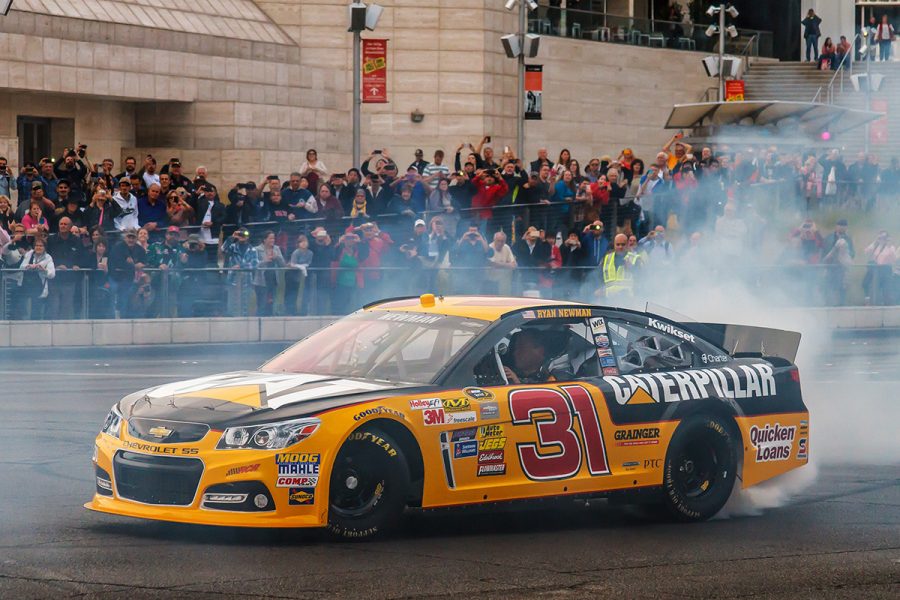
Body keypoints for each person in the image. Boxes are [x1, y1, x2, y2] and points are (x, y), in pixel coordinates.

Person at [108, 229, 146, 318]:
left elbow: (143, 262)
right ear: (125, 237)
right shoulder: (117, 247)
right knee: (112, 293)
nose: (131, 240)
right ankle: (111, 317)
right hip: (114, 277)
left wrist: (133, 264)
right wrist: (133, 265)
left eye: (133, 237)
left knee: (125, 297)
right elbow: (117, 262)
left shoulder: (140, 249)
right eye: (129, 237)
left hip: (128, 278)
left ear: (136, 238)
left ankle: (123, 318)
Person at [222, 228, 259, 316]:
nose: (242, 236)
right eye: (240, 234)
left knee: (246, 306)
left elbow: (255, 264)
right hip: (233, 281)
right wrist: (232, 237)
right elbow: (223, 249)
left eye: (244, 235)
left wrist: (241, 266)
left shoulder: (252, 250)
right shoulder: (232, 247)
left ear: (248, 237)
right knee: (232, 306)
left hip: (247, 281)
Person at [18, 237, 55, 319]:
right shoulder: (29, 254)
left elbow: (52, 274)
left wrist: (43, 270)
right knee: (25, 311)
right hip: (26, 285)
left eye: (41, 246)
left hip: (39, 287)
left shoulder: (48, 257)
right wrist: (29, 266)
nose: (38, 247)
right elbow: (21, 267)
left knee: (37, 311)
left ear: (45, 247)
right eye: (37, 245)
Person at [252, 230, 285, 316]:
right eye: (270, 238)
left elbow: (283, 265)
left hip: (273, 281)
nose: (273, 240)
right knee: (262, 304)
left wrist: (277, 257)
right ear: (264, 239)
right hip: (261, 282)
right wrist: (264, 261)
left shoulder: (276, 249)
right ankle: (259, 323)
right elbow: (253, 265)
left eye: (273, 238)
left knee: (272, 304)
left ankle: (271, 323)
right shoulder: (256, 249)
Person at [600, 233, 636, 299]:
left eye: (623, 244)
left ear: (627, 245)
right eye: (618, 244)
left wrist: (632, 269)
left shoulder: (634, 258)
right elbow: (600, 275)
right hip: (608, 300)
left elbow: (642, 278)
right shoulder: (607, 258)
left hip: (627, 301)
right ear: (614, 245)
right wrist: (599, 289)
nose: (620, 247)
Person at [285, 234, 313, 315]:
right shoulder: (296, 252)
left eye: (305, 241)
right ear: (298, 244)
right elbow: (293, 264)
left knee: (304, 294)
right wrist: (301, 267)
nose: (304, 243)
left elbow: (309, 263)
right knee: (292, 295)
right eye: (301, 242)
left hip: (304, 277)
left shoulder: (310, 253)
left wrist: (303, 266)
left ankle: (303, 312)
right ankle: (291, 312)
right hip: (292, 276)